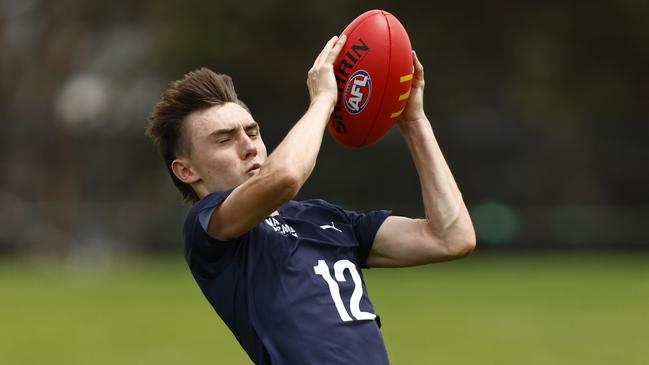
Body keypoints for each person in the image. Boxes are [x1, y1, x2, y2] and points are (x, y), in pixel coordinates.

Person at [145, 35, 475, 364]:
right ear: (186, 171)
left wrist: (415, 123)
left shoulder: (325, 218)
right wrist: (322, 101)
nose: (249, 146)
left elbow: (451, 238)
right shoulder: (210, 227)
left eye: (253, 132)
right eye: (224, 139)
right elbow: (285, 177)